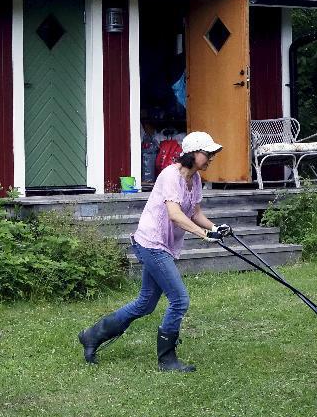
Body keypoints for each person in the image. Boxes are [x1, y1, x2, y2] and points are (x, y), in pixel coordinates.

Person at [78, 131, 232, 372]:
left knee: (145, 304)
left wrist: (214, 228)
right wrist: (203, 235)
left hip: (164, 245)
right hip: (151, 243)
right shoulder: (171, 175)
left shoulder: (195, 179)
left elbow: (195, 213)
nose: (211, 157)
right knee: (179, 300)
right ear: (192, 153)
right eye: (207, 153)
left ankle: (91, 336)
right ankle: (167, 360)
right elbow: (175, 214)